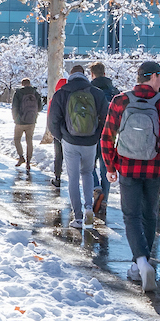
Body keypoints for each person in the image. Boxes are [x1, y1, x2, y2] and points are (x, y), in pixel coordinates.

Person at [101, 61, 160, 291]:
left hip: (128, 168)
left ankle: (139, 262)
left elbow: (107, 137)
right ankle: (142, 263)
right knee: (150, 214)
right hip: (155, 168)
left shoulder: (120, 100)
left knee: (131, 216)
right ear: (154, 77)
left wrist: (110, 167)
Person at [48, 63, 105, 231]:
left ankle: (78, 217)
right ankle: (89, 207)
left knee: (73, 178)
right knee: (87, 172)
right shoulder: (96, 92)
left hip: (70, 141)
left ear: (70, 75)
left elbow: (53, 120)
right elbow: (105, 117)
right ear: (85, 75)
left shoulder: (62, 93)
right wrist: (96, 136)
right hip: (90, 142)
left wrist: (62, 138)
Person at [86, 61, 118, 219]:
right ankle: (104, 198)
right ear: (104, 73)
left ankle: (96, 187)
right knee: (106, 168)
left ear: (92, 74)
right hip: (110, 135)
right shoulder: (115, 91)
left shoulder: (89, 90)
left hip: (92, 134)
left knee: (89, 165)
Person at [11, 78, 42, 167]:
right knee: (29, 141)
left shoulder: (18, 93)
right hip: (31, 121)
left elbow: (14, 107)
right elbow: (40, 108)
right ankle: (28, 161)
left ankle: (21, 157)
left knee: (17, 139)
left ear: (22, 84)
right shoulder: (35, 93)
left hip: (20, 122)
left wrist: (15, 118)